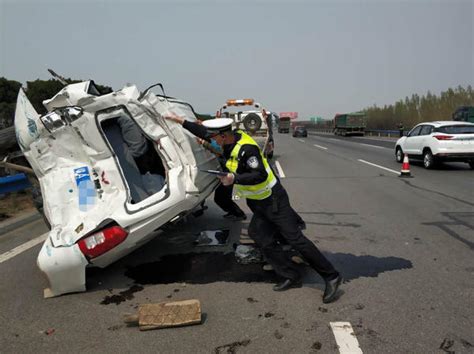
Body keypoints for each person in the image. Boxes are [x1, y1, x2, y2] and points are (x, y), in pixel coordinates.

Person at [165, 114, 343, 303]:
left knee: (296, 239)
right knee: (259, 235)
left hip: (273, 200)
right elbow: (203, 132)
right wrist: (180, 121)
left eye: (214, 138)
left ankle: (331, 276)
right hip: (258, 202)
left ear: (223, 136)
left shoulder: (247, 150)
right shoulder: (228, 139)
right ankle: (290, 275)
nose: (211, 141)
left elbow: (258, 175)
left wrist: (234, 179)